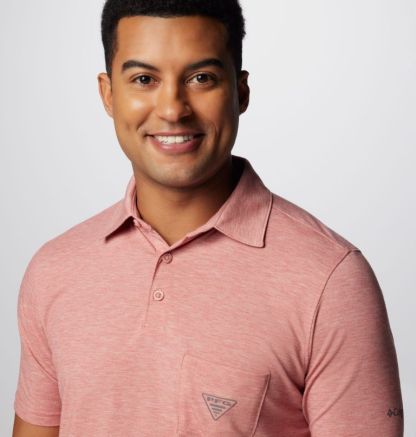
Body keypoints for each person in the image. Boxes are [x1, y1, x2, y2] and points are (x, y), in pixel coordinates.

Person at [12, 1, 403, 436]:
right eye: (144, 79)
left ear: (241, 92)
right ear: (108, 94)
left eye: (201, 78)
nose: (172, 109)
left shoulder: (330, 279)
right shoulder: (54, 270)